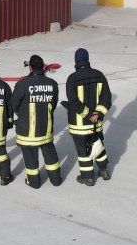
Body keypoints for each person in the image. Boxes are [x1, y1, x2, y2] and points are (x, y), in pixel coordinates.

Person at [9, 54, 62, 189]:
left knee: (30, 155)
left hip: (27, 130)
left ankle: (34, 182)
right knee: (50, 153)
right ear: (43, 67)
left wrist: (22, 115)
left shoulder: (22, 84)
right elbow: (53, 104)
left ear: (30, 68)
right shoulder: (52, 84)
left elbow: (14, 104)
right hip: (45, 128)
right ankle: (56, 180)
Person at [65, 48, 112, 186]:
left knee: (83, 151)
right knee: (98, 145)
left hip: (79, 125)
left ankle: (88, 177)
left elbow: (73, 102)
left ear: (76, 61)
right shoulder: (99, 75)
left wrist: (88, 115)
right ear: (87, 59)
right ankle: (104, 170)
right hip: (96, 123)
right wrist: (98, 114)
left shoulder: (72, 79)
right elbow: (106, 98)